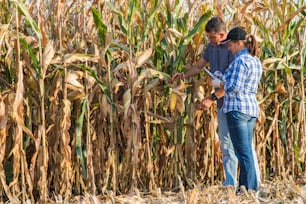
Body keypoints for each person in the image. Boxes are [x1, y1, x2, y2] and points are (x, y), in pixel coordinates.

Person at [172, 16, 238, 186]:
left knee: (242, 144)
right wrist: (183, 76)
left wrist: (210, 99)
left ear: (222, 34)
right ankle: (230, 182)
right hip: (222, 102)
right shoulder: (211, 47)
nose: (209, 40)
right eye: (209, 37)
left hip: (236, 103)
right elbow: (199, 66)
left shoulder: (232, 49)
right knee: (225, 143)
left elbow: (232, 85)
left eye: (212, 37)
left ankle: (252, 182)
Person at [210, 27, 263, 191]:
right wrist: (222, 77)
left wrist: (218, 83)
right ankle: (244, 188)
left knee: (243, 152)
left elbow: (233, 86)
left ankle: (251, 188)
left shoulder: (240, 61)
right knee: (245, 149)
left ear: (239, 43)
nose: (229, 48)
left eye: (231, 45)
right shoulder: (255, 60)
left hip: (237, 109)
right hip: (250, 109)